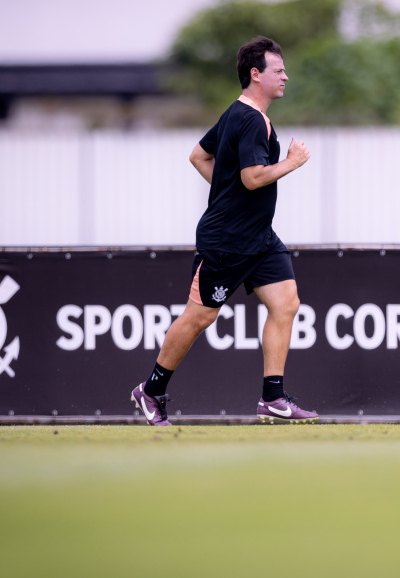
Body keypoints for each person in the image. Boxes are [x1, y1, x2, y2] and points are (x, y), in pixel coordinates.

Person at [131, 36, 318, 425]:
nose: (286, 76)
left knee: (286, 303)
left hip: (260, 239)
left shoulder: (238, 113)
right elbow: (251, 179)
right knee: (200, 318)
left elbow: (198, 155)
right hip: (228, 242)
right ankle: (151, 389)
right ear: (255, 74)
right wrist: (292, 163)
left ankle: (273, 397)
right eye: (278, 70)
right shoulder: (249, 119)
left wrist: (227, 187)